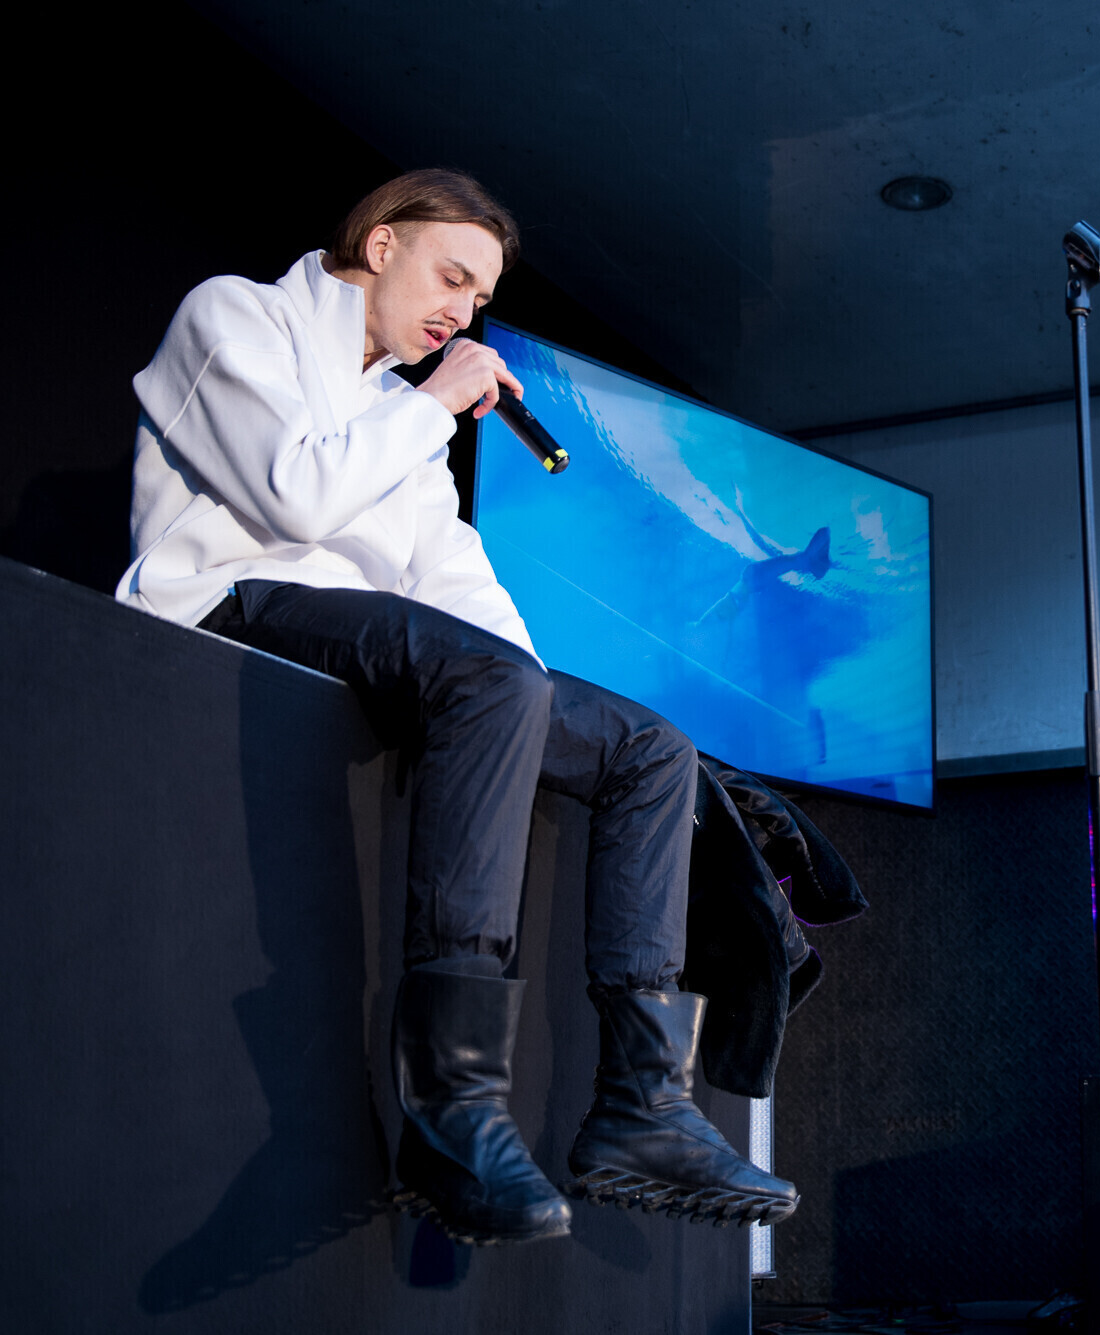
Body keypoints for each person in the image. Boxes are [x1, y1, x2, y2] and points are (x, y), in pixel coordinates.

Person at [117, 169, 797, 1245]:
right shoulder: (236, 315)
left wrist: (546, 708)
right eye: (451, 277)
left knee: (652, 748)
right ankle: (453, 1105)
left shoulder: (401, 408)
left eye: (479, 299)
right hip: (230, 596)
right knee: (492, 680)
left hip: (379, 635)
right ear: (382, 244)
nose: (462, 313)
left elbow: (456, 583)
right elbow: (293, 496)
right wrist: (434, 405)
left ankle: (642, 1105)